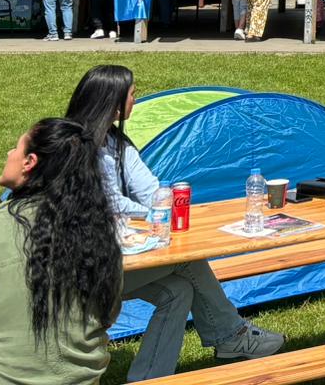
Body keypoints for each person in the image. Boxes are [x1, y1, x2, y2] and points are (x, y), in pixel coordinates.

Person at [65, 66, 284, 378]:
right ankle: (231, 335)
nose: (134, 99)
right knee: (189, 263)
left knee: (178, 291)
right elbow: (108, 201)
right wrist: (152, 213)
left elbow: (150, 190)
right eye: (131, 94)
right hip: (84, 267)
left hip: (119, 254)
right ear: (112, 103)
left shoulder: (116, 143)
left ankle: (149, 379)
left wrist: (162, 203)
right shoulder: (73, 146)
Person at [0, 117, 121, 385]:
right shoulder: (100, 238)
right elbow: (108, 314)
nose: (9, 153)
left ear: (29, 162)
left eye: (15, 148)